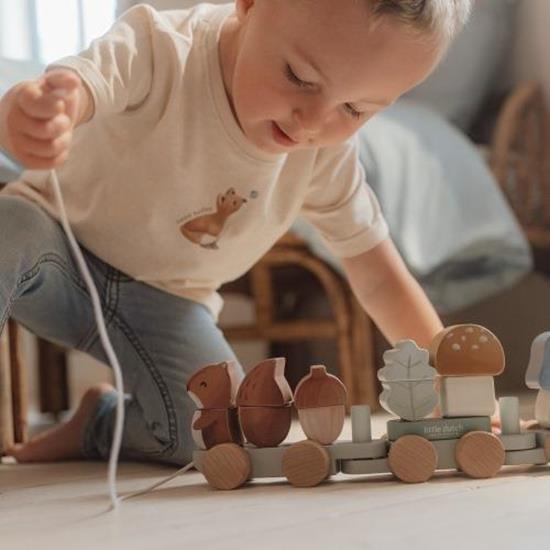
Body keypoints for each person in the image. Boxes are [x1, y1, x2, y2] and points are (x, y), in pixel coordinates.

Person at [0, 0, 471, 465]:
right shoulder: (162, 47)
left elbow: (380, 276)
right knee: (7, 225)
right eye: (299, 77)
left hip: (168, 301)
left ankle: (101, 424)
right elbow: (82, 86)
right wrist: (40, 115)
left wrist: (453, 385)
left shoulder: (327, 156)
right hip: (54, 254)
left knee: (223, 434)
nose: (311, 122)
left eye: (354, 109)